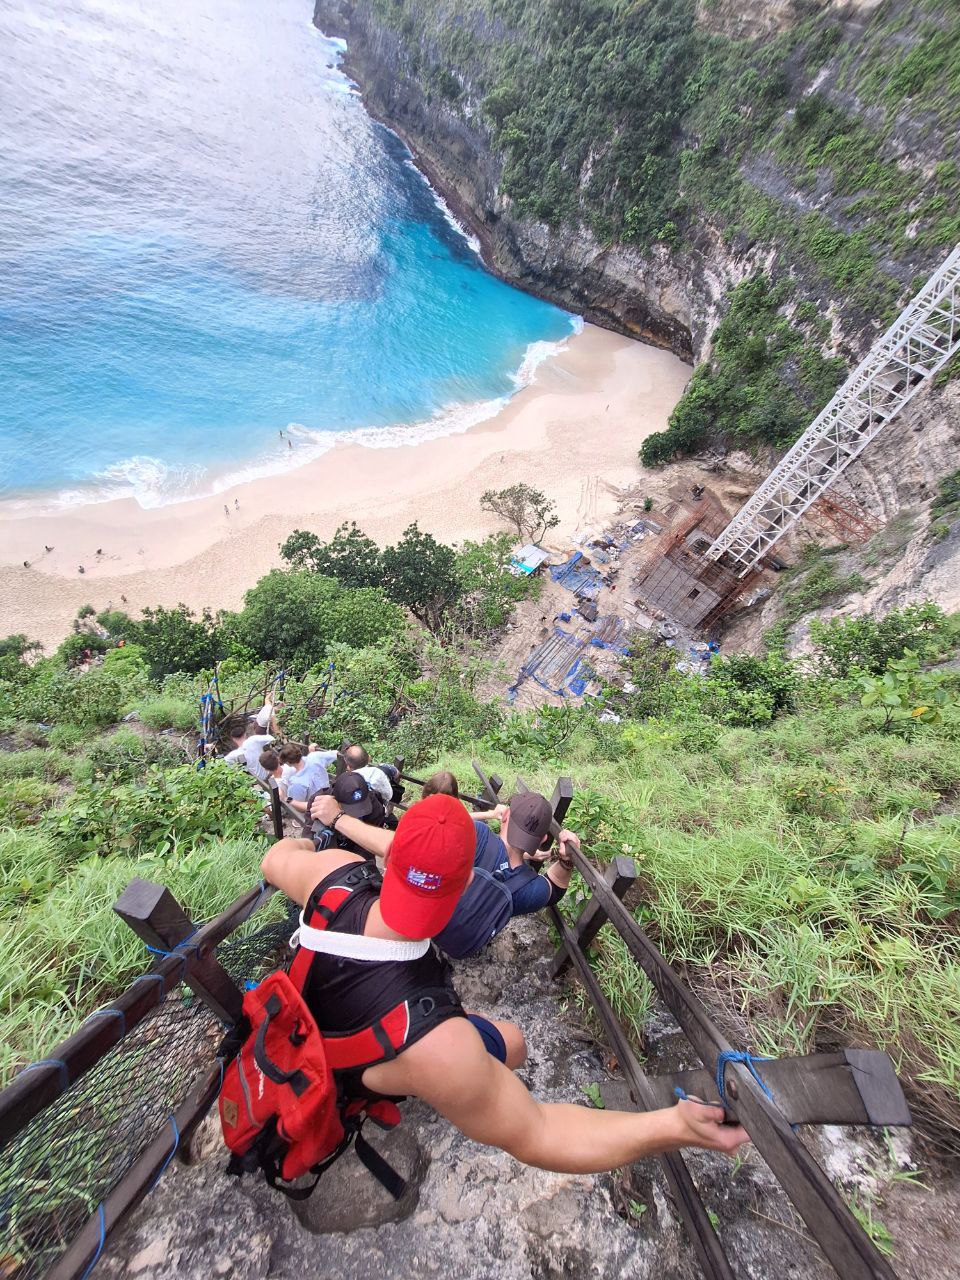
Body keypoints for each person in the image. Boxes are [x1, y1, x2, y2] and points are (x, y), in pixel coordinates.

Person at [261, 796, 748, 1177]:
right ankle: (380, 1091)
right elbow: (539, 1132)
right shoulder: (443, 1047)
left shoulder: (331, 877)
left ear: (390, 851)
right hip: (375, 1057)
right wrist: (673, 1125)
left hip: (305, 1025)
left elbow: (276, 857)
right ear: (462, 887)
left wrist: (320, 844)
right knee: (512, 1045)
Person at [311, 790, 577, 959]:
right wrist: (566, 859)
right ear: (543, 838)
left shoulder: (476, 835)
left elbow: (401, 847)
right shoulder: (527, 890)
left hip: (415, 927)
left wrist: (338, 819)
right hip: (459, 945)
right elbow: (556, 888)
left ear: (504, 816)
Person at [223, 700, 278, 783]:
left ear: (233, 739)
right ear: (245, 734)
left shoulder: (234, 754)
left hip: (254, 780)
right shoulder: (254, 739)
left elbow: (225, 761)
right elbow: (271, 738)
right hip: (266, 774)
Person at [280, 743, 339, 813]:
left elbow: (298, 808)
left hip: (316, 810)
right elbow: (335, 753)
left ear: (288, 763)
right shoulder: (315, 756)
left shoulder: (297, 782)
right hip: (330, 797)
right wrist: (314, 750)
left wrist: (285, 799)